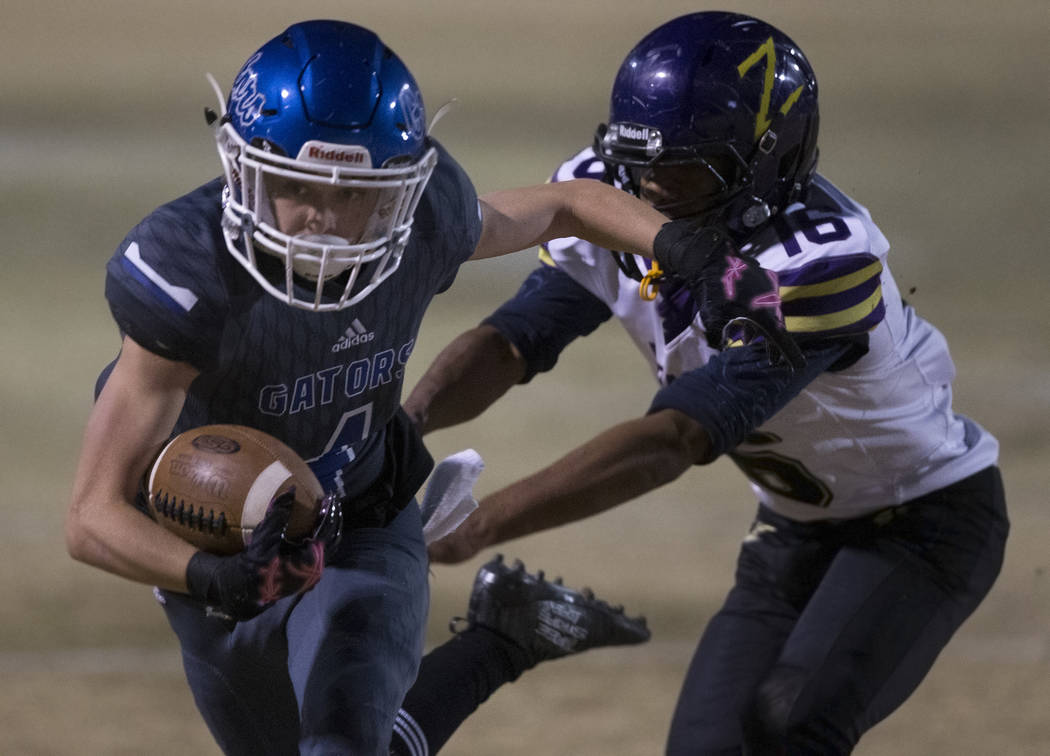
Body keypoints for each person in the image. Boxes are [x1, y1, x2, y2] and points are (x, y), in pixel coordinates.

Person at [63, 18, 773, 756]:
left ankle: (494, 641)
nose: (325, 221)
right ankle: (502, 639)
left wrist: (691, 253)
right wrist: (207, 574)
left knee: (343, 744)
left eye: (358, 196)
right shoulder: (188, 270)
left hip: (364, 514)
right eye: (298, 186)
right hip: (224, 545)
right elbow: (90, 516)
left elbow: (565, 205)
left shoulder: (429, 220)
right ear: (247, 167)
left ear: (405, 186)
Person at [405, 12, 1008, 754]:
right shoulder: (616, 196)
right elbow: (512, 342)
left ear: (766, 161)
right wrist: (405, 431)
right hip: (794, 528)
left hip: (926, 520)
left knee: (792, 722)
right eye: (640, 164)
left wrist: (482, 525)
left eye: (684, 169)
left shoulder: (822, 265)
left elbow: (673, 439)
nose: (651, 188)